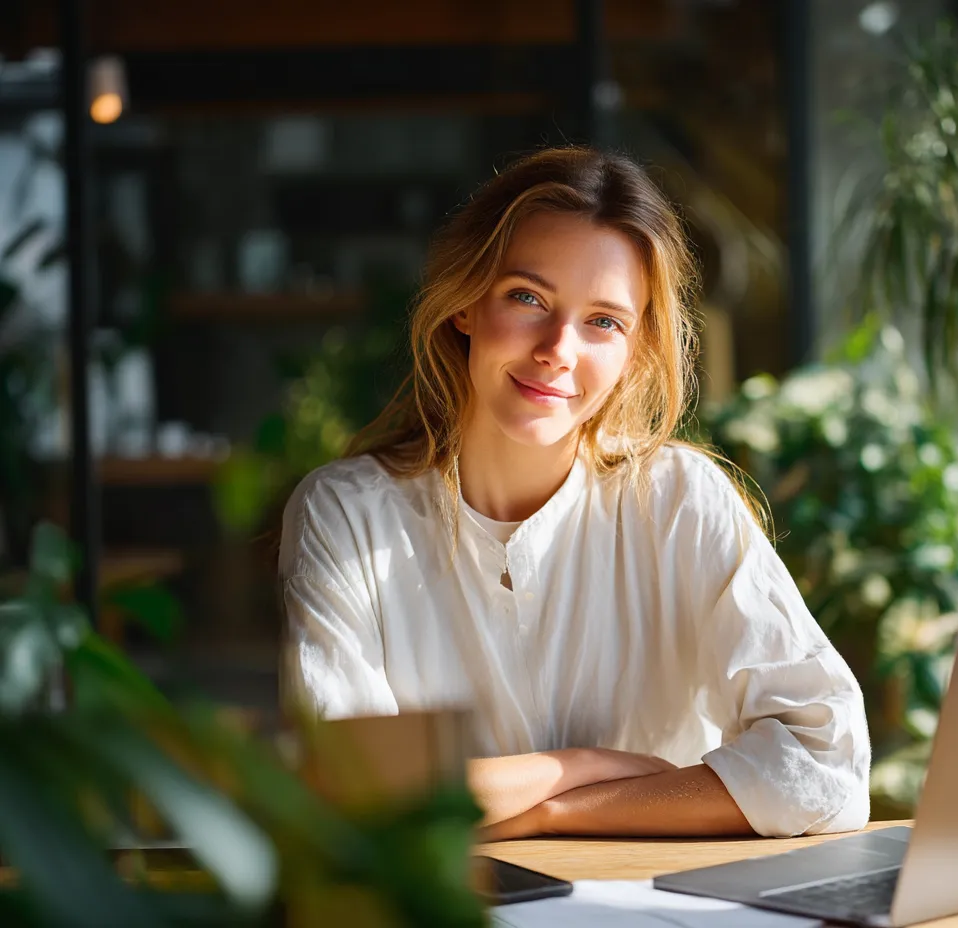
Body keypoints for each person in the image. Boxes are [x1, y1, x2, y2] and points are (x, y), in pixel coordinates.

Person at [280, 147, 870, 840]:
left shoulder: (681, 502)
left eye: (604, 322)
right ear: (467, 302)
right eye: (528, 298)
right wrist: (586, 764)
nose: (559, 348)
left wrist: (556, 810)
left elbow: (827, 767)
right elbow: (346, 789)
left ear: (635, 352)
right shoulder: (347, 515)